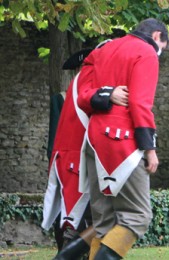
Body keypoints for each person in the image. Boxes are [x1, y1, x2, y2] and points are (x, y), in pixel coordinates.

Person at [76, 18, 169, 259]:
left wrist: (106, 93)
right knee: (138, 215)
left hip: (94, 139)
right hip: (123, 141)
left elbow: (82, 97)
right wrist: (149, 147)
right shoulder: (147, 51)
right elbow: (139, 102)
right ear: (158, 36)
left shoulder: (103, 49)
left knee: (104, 220)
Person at [43, 47, 129, 260]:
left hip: (96, 161)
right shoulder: (64, 97)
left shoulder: (105, 93)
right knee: (75, 220)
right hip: (74, 163)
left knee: (101, 218)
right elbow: (56, 135)